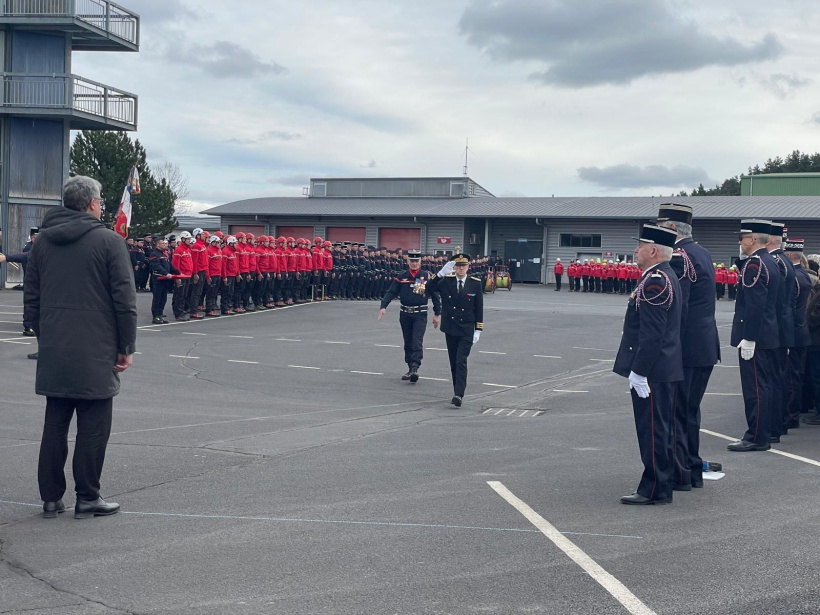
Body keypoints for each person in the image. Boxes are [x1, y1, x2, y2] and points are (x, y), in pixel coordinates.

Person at [24, 175, 136, 519]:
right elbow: (125, 300)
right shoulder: (109, 241)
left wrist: (45, 337)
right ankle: (88, 496)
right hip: (96, 347)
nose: (101, 206)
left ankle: (50, 498)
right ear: (92, 203)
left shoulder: (42, 242)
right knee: (93, 426)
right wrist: (126, 345)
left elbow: (32, 297)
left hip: (55, 346)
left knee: (55, 424)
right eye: (100, 202)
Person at [613, 224, 682, 505]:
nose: (636, 250)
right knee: (660, 428)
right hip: (663, 367)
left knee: (652, 429)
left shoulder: (656, 281)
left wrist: (639, 372)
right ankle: (662, 483)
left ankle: (654, 489)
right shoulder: (664, 275)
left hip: (653, 370)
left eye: (640, 246)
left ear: (653, 250)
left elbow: (652, 334)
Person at [657, 203, 719, 491]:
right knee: (689, 412)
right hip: (703, 345)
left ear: (671, 228)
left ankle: (680, 472)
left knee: (678, 413)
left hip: (687, 348)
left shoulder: (680, 257)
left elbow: (677, 310)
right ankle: (691, 468)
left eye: (660, 226)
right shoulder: (701, 252)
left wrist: (667, 349)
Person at [728, 220, 782, 452]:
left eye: (742, 238)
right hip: (768, 333)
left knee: (756, 389)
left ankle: (757, 436)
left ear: (752, 239)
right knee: (765, 386)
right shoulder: (770, 261)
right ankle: (765, 432)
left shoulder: (755, 264)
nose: (740, 242)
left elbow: (755, 305)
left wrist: (750, 337)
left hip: (756, 337)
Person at [424, 253, 484, 407]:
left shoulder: (475, 283)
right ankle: (456, 390)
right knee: (453, 361)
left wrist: (478, 329)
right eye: (458, 266)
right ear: (454, 267)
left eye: (464, 266)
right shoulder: (447, 281)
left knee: (460, 360)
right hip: (450, 328)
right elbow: (428, 287)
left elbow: (479, 308)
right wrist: (440, 274)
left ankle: (459, 394)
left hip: (466, 328)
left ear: (468, 267)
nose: (461, 269)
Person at [379, 251, 442, 382]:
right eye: (412, 261)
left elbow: (435, 296)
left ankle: (414, 367)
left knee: (416, 341)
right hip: (405, 314)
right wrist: (383, 306)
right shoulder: (402, 276)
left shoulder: (426, 276)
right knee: (408, 342)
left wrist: (437, 314)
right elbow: (391, 292)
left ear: (420, 262)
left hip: (420, 314)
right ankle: (409, 367)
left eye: (416, 261)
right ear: (408, 262)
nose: (414, 264)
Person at [767, 223, 795, 443]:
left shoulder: (775, 261)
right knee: (778, 379)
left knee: (772, 380)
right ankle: (778, 424)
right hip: (783, 327)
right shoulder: (784, 261)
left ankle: (773, 427)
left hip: (776, 328)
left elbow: (774, 301)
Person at [784, 238, 812, 430]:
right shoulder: (804, 275)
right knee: (795, 376)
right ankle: (792, 413)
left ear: (787, 255)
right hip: (801, 332)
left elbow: (790, 310)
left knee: (790, 377)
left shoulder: (793, 277)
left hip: (793, 333)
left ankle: (791, 415)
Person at [148, 237, 179, 324]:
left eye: (165, 243)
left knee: (163, 298)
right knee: (157, 298)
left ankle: (160, 314)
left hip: (165, 279)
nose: (165, 245)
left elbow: (169, 265)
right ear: (157, 244)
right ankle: (156, 316)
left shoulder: (164, 254)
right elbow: (157, 266)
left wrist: (178, 272)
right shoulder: (154, 254)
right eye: (163, 243)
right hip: (158, 279)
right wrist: (166, 273)